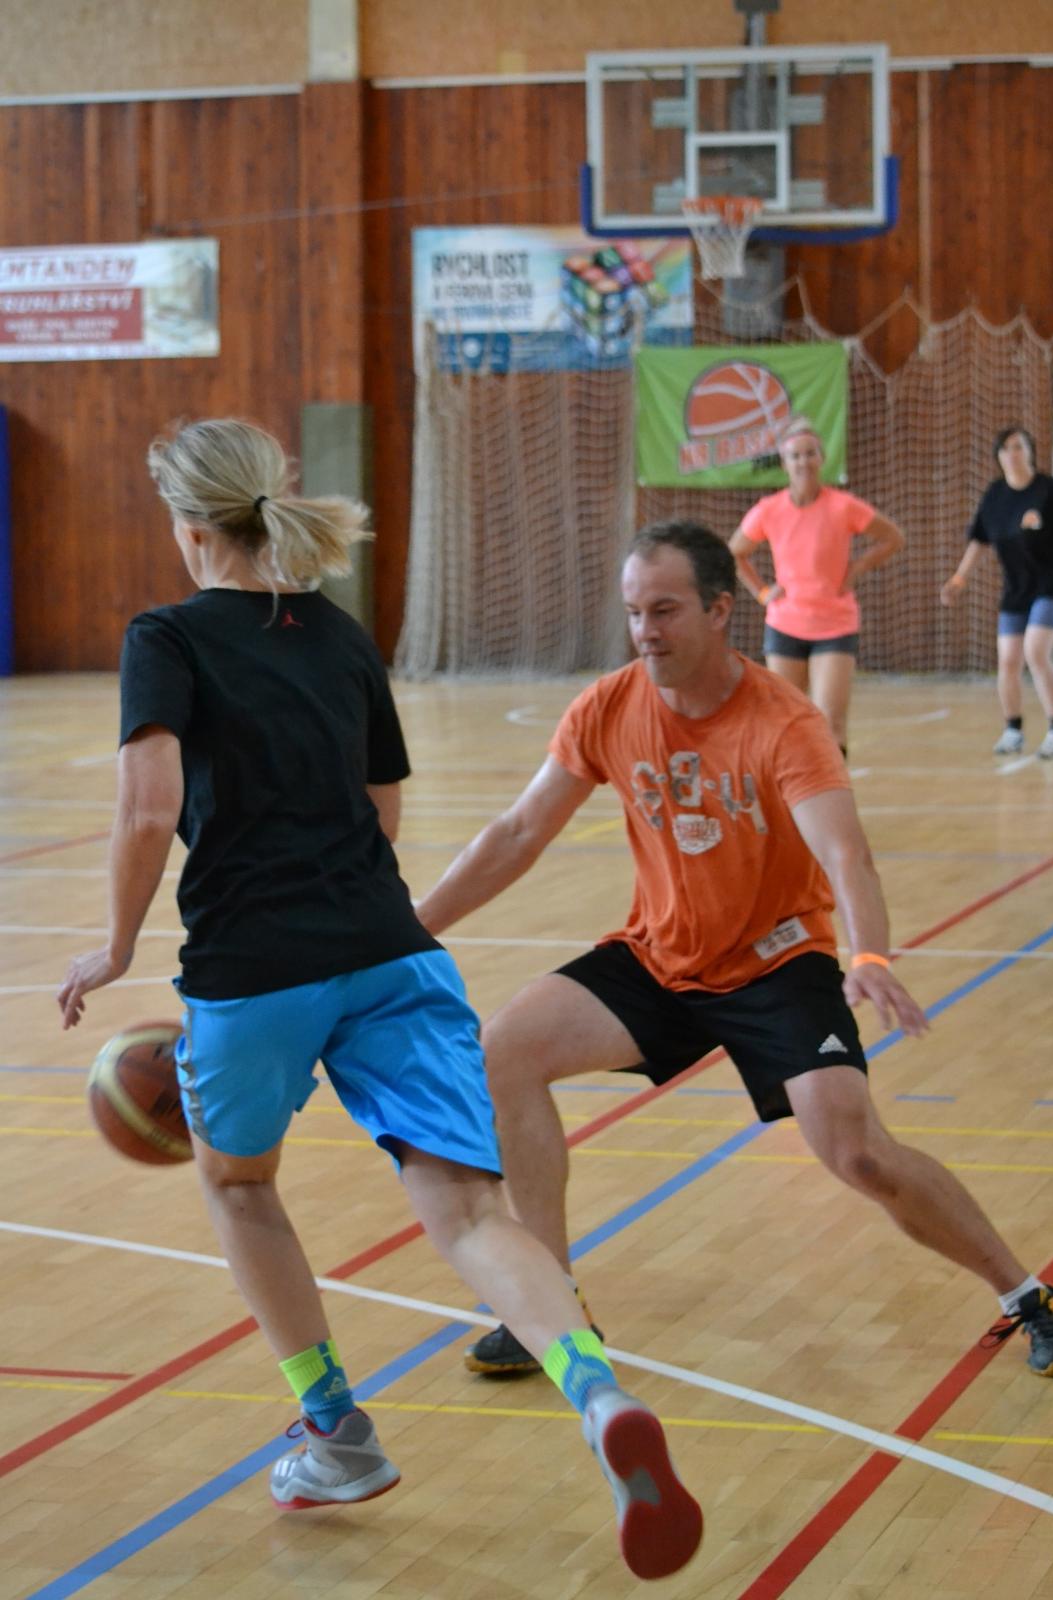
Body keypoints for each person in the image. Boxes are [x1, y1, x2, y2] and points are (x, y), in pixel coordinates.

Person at [55, 420, 702, 1582]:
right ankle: (599, 1394)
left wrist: (112, 947)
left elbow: (149, 808)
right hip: (394, 950)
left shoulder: (166, 635)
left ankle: (336, 1434)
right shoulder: (340, 634)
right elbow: (383, 810)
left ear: (190, 527)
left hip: (253, 967)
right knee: (472, 1210)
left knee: (237, 1181)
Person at [415, 520, 1053, 1383]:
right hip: (659, 959)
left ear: (721, 610)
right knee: (503, 1051)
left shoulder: (783, 721)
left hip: (776, 966)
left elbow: (845, 854)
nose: (646, 631)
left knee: (857, 1153)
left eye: (665, 611)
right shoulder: (609, 706)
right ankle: (551, 1303)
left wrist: (870, 957)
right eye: (634, 612)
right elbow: (518, 831)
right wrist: (413, 928)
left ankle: (1029, 1298)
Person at [728, 417, 904, 755]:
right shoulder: (769, 510)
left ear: (822, 458)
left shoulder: (844, 506)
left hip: (834, 624)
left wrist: (858, 567)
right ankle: (789, 786)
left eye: (810, 454)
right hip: (785, 625)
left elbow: (893, 537)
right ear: (784, 463)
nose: (803, 462)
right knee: (784, 721)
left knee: (830, 722)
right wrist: (762, 592)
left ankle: (832, 786)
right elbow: (735, 553)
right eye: (795, 456)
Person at [940, 425, 1053, 758]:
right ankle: (1013, 730)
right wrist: (959, 579)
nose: (1013, 454)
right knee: (1008, 659)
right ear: (998, 456)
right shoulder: (995, 496)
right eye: (1006, 448)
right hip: (1016, 590)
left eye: (1019, 446)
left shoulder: (1051, 491)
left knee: (1036, 652)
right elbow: (979, 541)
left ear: (1030, 451)